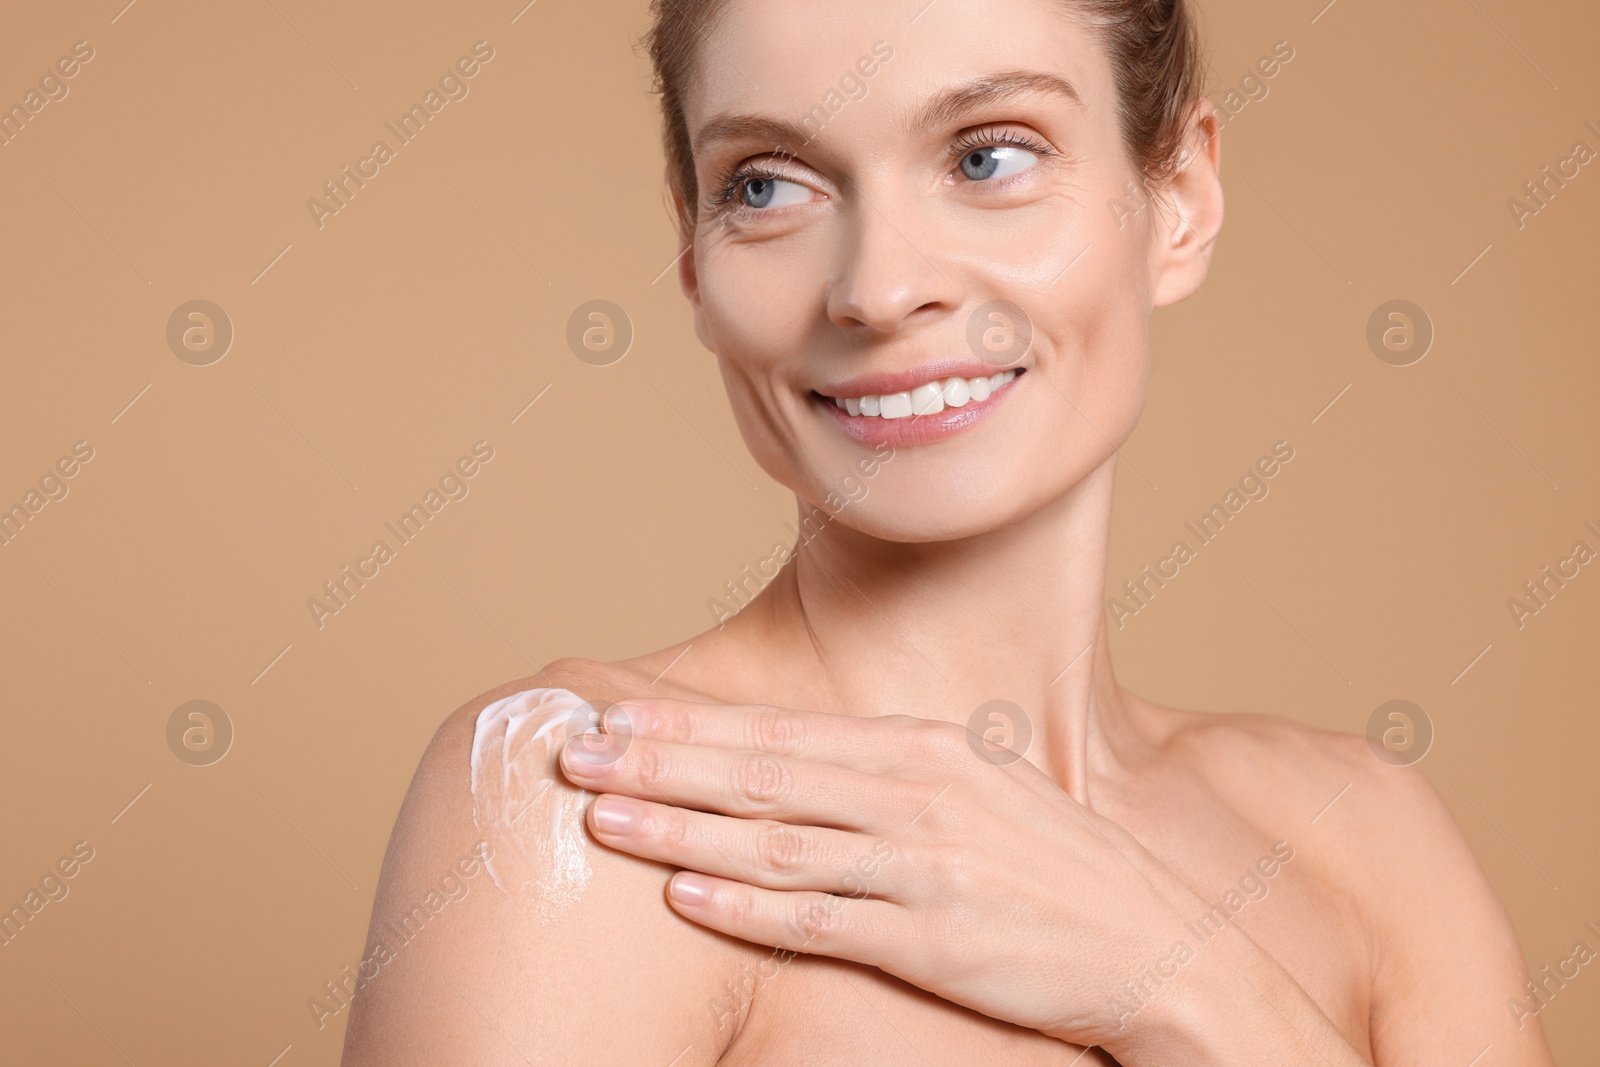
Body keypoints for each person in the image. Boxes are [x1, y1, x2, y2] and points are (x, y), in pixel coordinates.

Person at [341, 0, 1557, 1062]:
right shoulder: (600, 811)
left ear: (1177, 200)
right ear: (692, 257)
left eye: (987, 157)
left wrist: (1181, 976)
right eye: (767, 183)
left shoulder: (1364, 835)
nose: (877, 286)